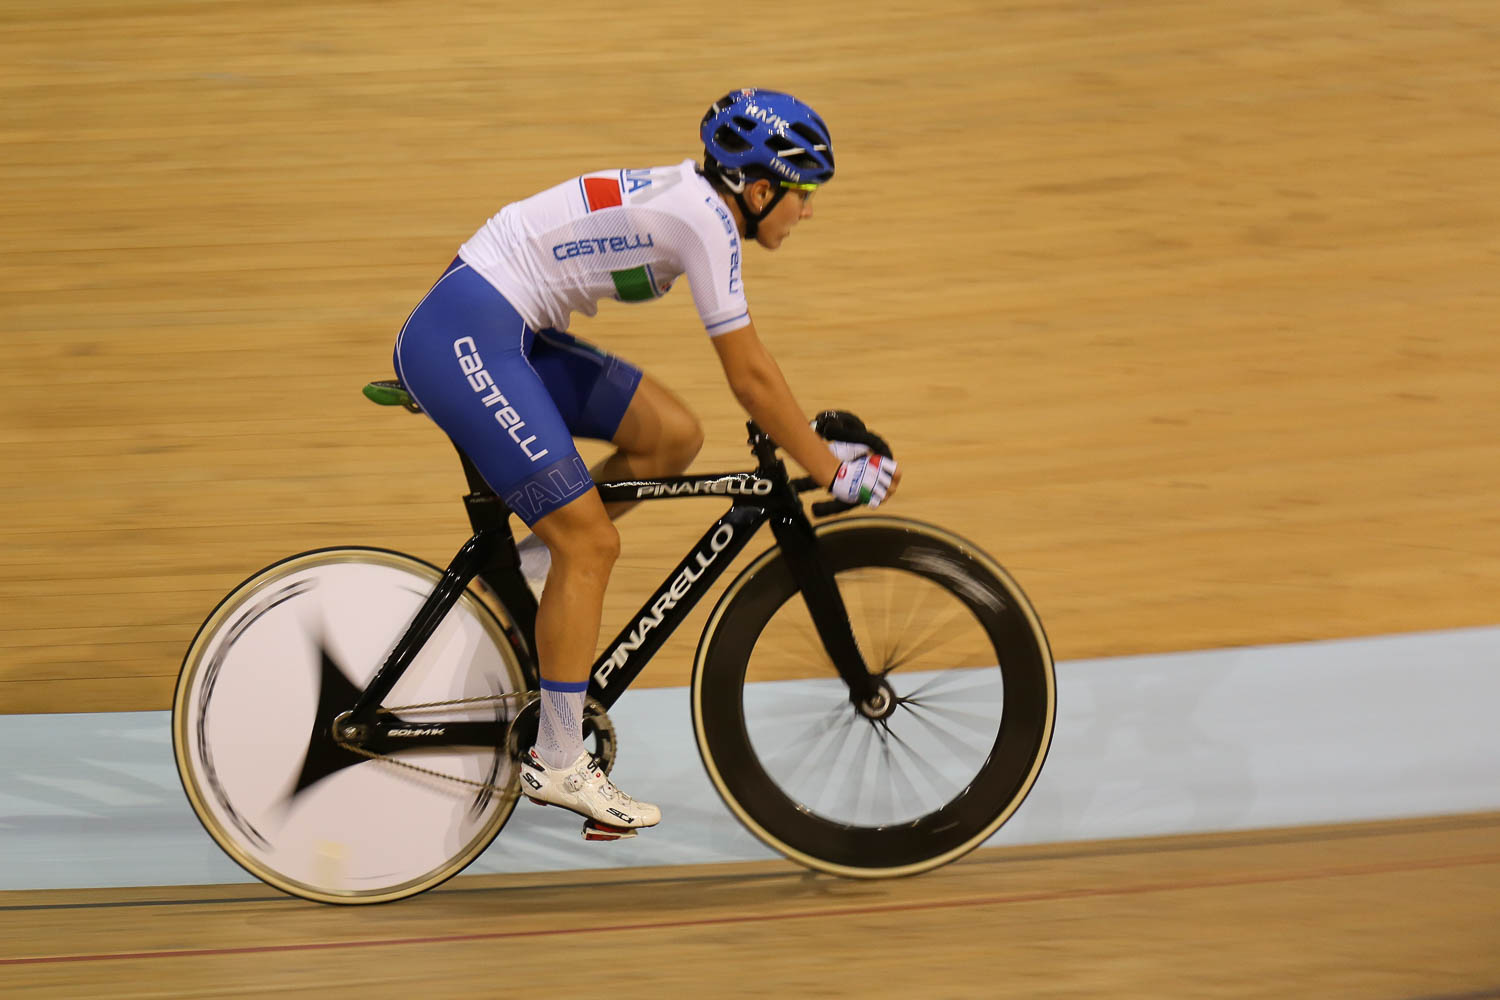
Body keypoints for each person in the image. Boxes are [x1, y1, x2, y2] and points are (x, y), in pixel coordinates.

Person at [391, 88, 898, 837]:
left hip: (490, 327)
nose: (808, 211)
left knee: (671, 437)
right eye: (803, 194)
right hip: (469, 335)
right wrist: (829, 469)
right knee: (591, 540)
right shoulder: (707, 222)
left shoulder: (699, 203)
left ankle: (535, 572)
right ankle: (559, 759)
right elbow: (750, 376)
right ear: (758, 191)